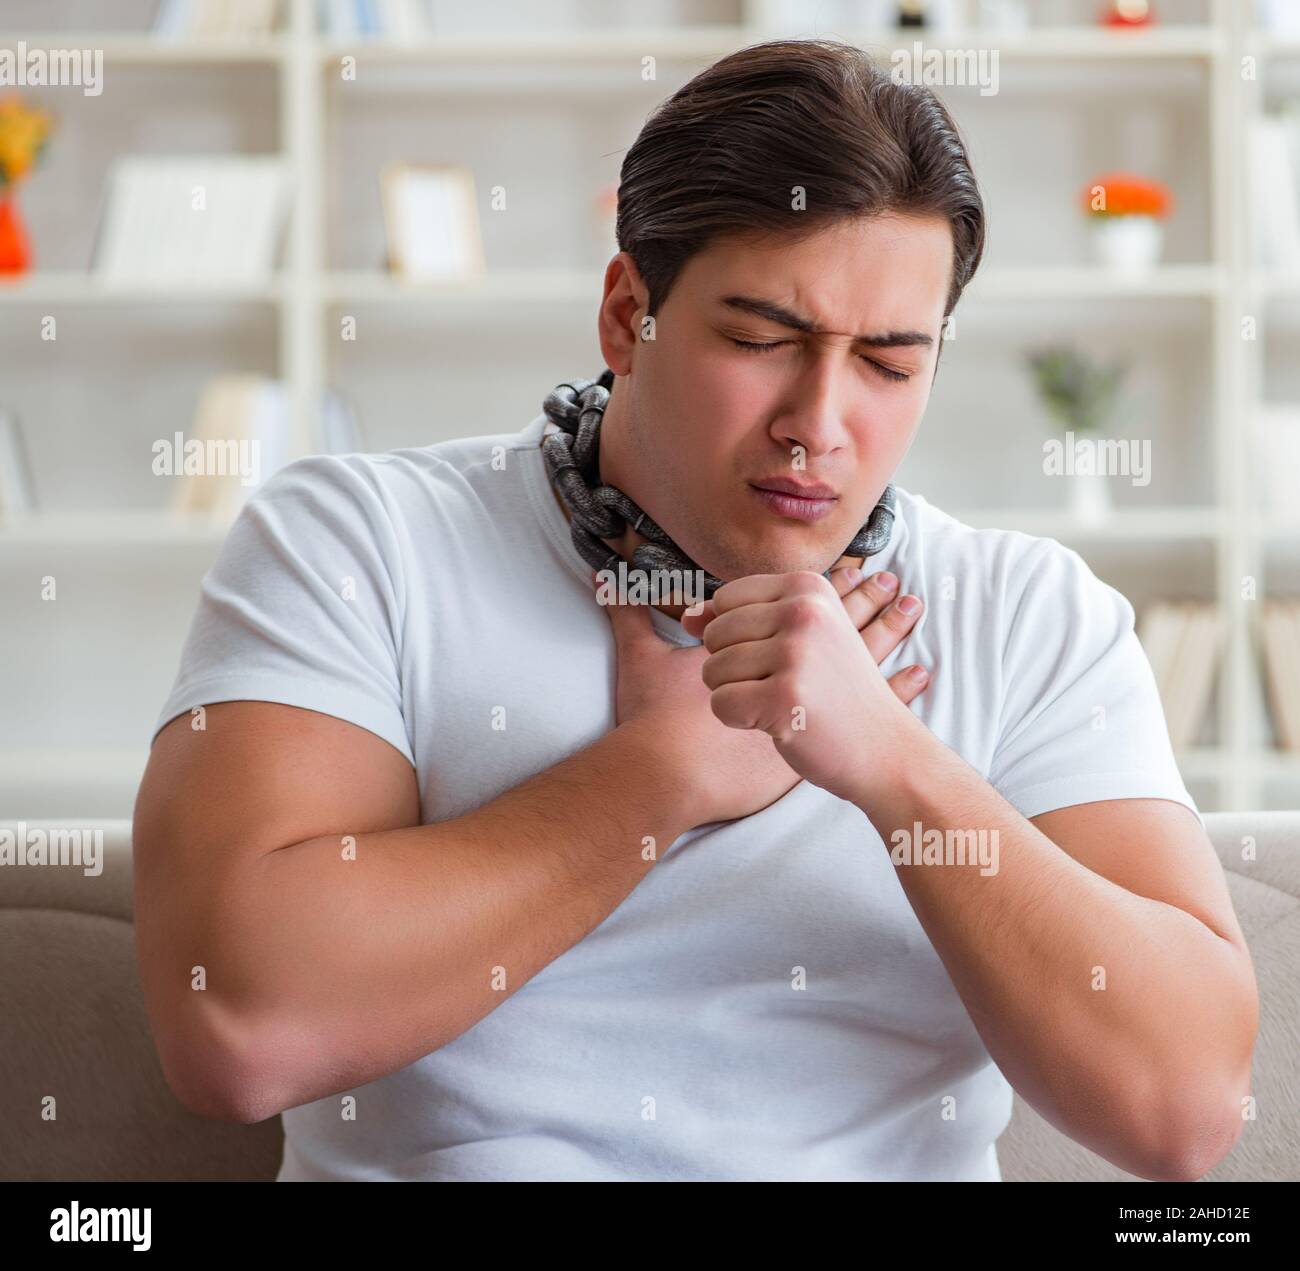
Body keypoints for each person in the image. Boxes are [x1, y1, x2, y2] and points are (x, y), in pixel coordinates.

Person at [133, 38, 1256, 1182]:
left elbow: (1184, 1113)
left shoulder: (1030, 613)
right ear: (628, 315)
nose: (818, 420)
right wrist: (665, 773)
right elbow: (231, 1030)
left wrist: (891, 762)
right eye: (762, 339)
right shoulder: (360, 541)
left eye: (886, 363)